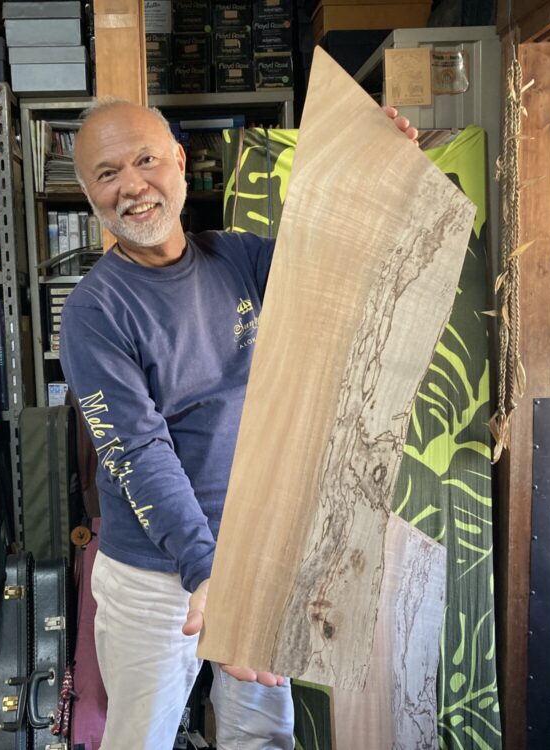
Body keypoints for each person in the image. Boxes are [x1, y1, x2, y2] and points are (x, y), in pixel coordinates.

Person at [59, 98, 417, 748]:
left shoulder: (238, 258)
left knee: (261, 736)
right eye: (108, 174)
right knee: (141, 739)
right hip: (152, 576)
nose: (132, 185)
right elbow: (138, 451)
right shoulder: (95, 311)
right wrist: (206, 570)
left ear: (179, 162)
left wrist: (377, 176)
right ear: (91, 196)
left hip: (255, 551)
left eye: (145, 159)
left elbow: (338, 262)